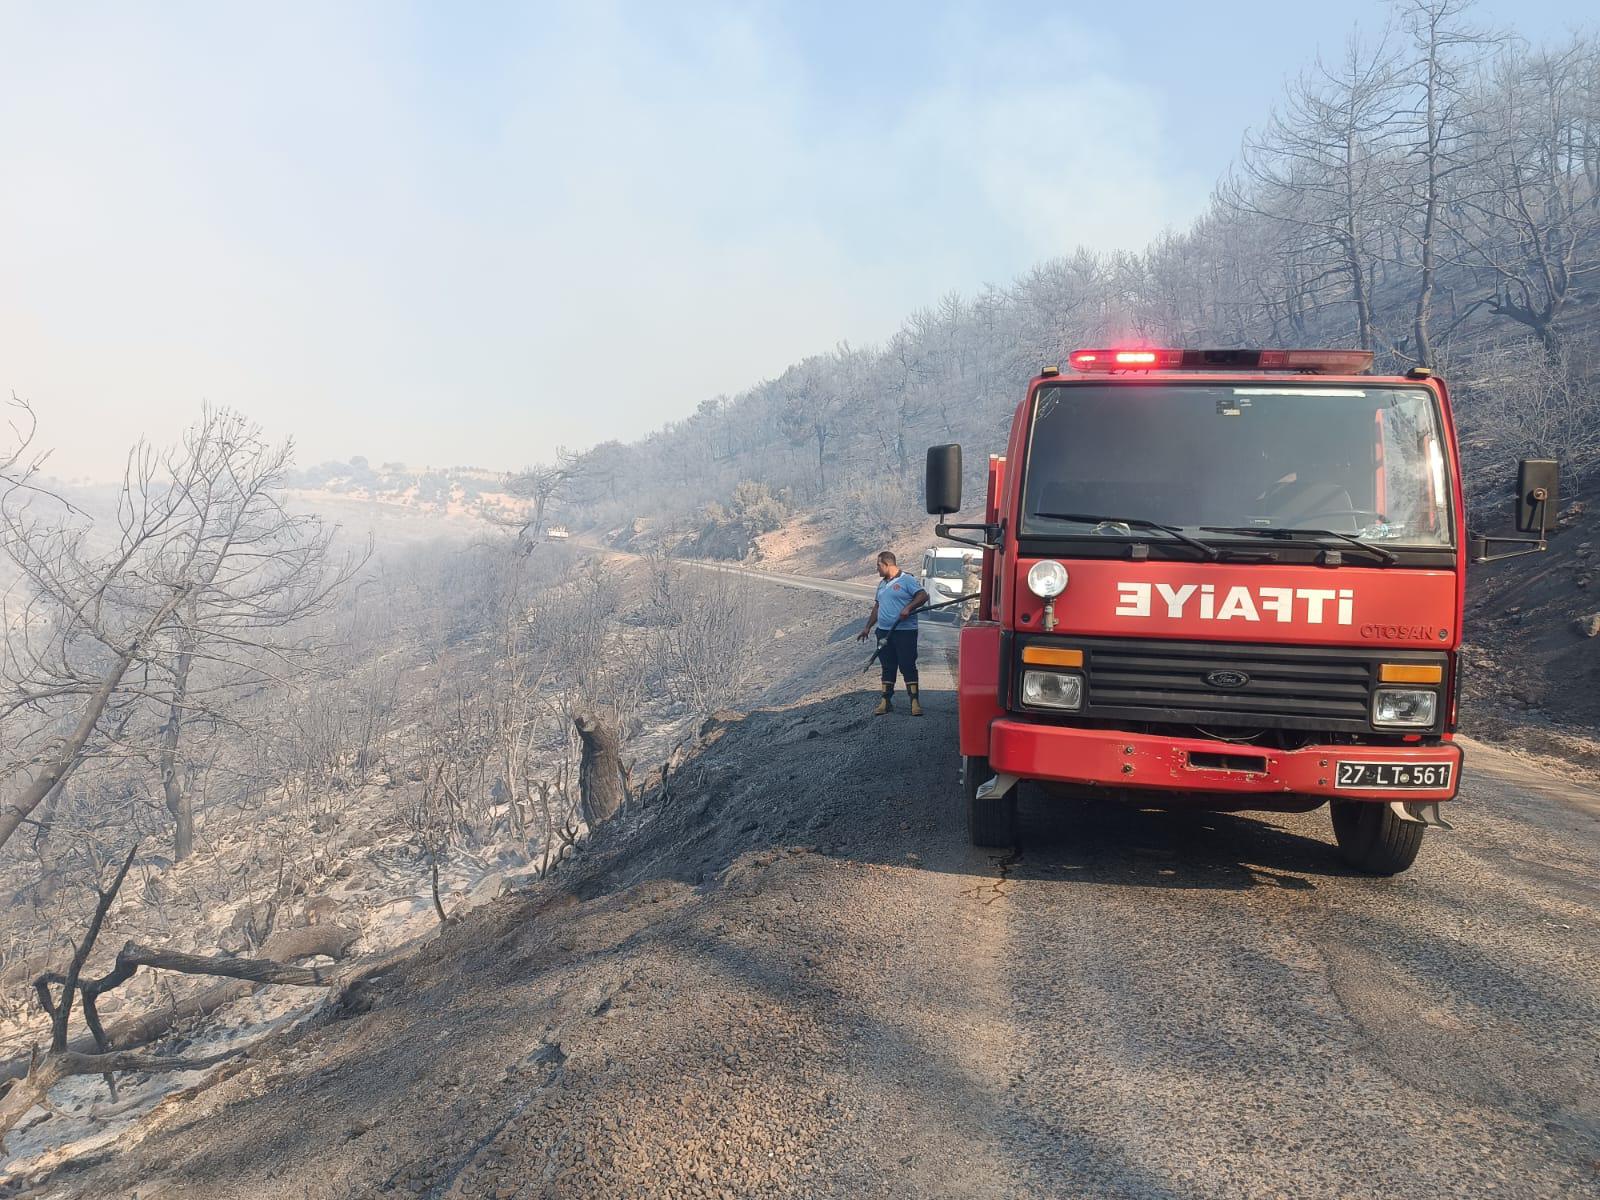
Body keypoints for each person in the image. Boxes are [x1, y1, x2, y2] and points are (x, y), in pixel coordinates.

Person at [856, 550, 929, 716]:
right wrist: (868, 627)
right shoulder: (881, 584)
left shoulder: (907, 580)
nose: (877, 569)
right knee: (887, 666)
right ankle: (885, 700)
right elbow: (877, 606)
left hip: (905, 632)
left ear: (887, 564)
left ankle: (914, 701)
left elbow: (923, 596)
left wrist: (908, 608)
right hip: (884, 632)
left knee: (907, 664)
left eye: (878, 565)